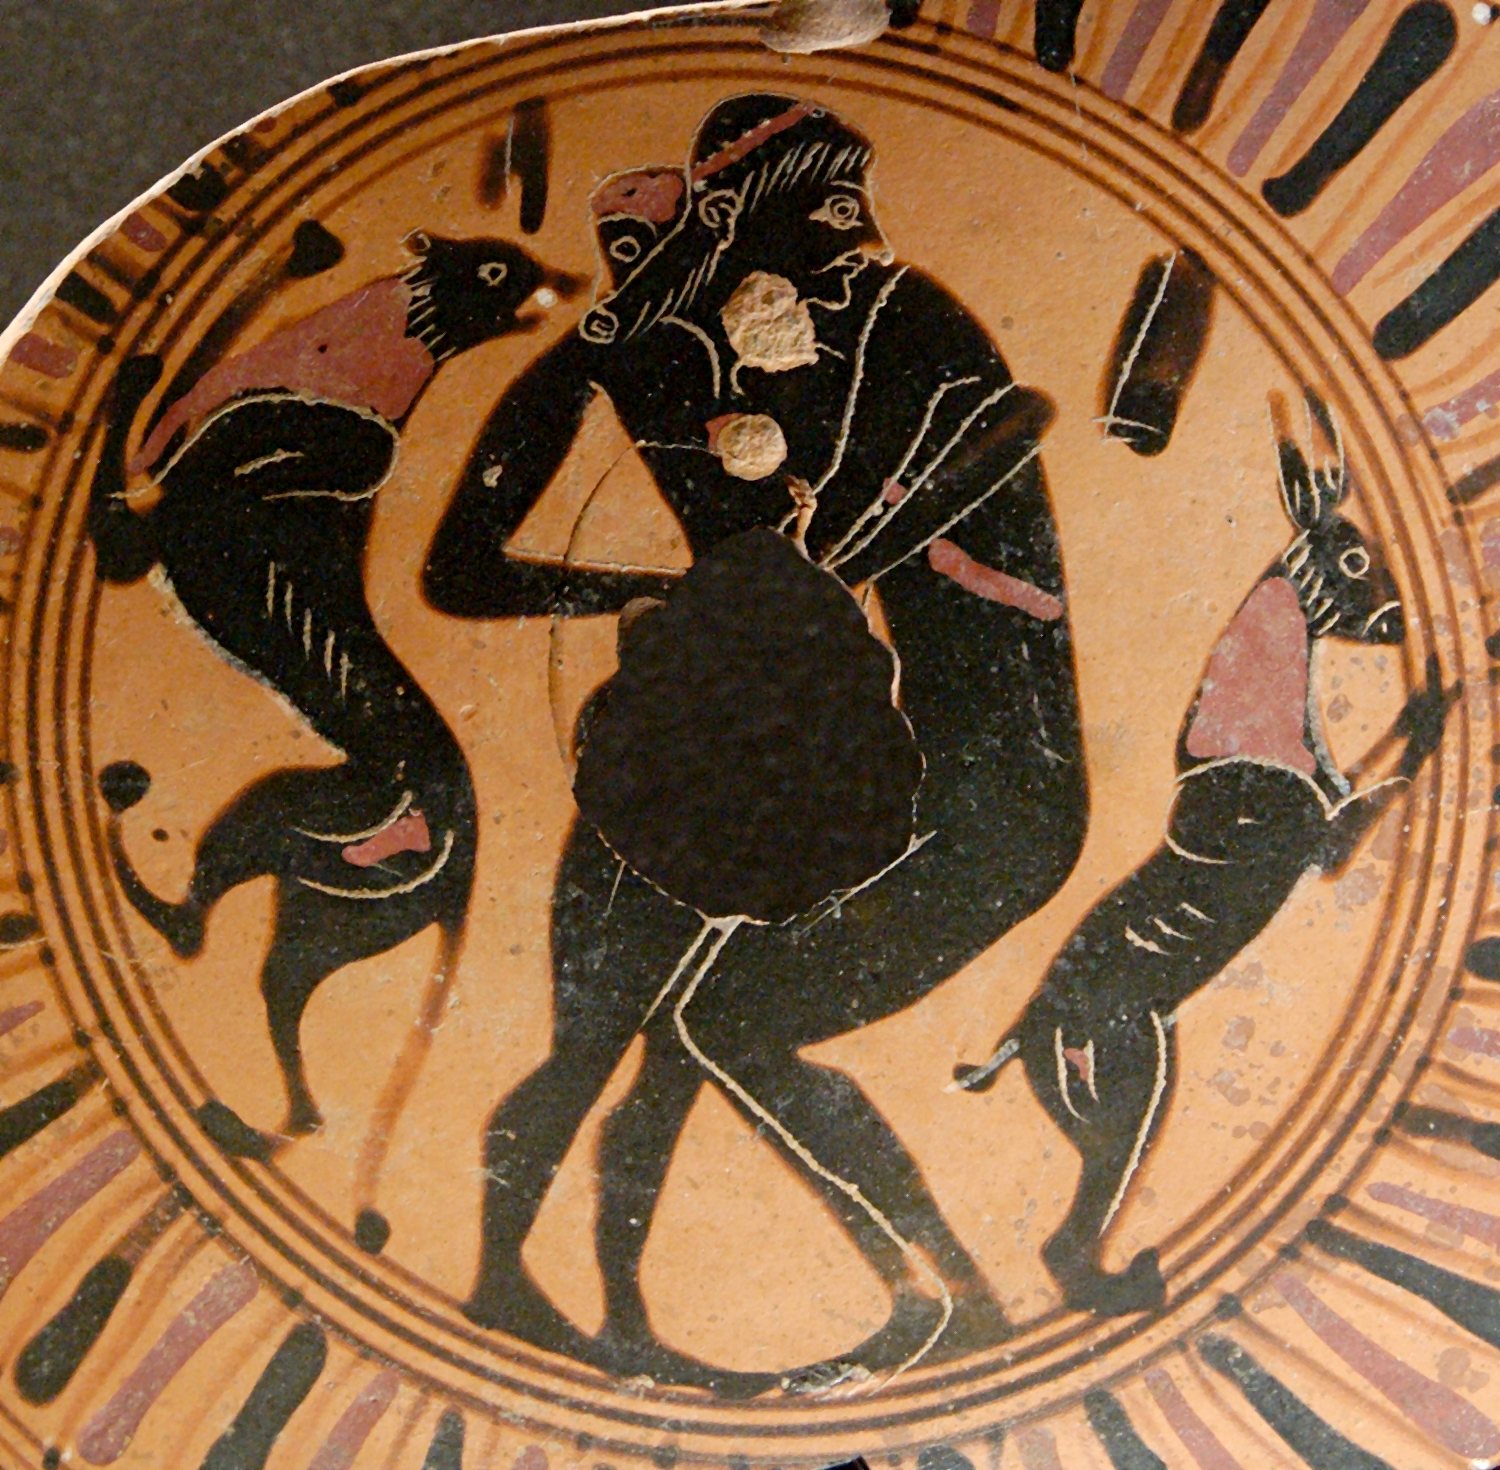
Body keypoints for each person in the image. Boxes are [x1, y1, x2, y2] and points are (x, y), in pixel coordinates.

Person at [424, 95, 1088, 1390]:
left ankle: (917, 1305)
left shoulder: (856, 332)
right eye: (636, 242)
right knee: (625, 1037)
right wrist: (647, 594)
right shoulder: (697, 350)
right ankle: (535, 1286)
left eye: (679, 230)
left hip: (826, 735)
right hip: (727, 724)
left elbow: (920, 479)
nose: (661, 260)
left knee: (700, 1030)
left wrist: (744, 581)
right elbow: (465, 568)